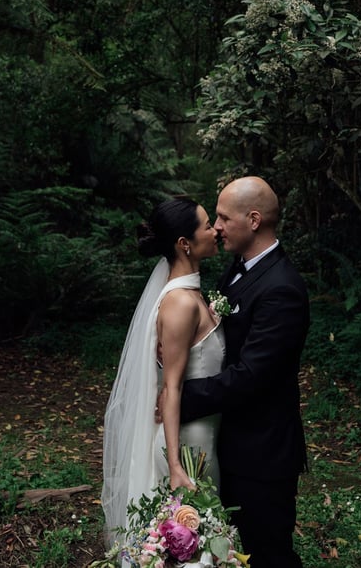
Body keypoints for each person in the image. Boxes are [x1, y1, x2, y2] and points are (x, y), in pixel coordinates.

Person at [167, 176, 311, 567]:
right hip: (228, 441)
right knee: (226, 549)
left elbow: (251, 376)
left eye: (224, 218)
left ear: (254, 220)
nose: (216, 227)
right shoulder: (237, 268)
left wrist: (180, 398)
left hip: (262, 453)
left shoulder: (282, 289)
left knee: (268, 553)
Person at [100, 197, 224, 546]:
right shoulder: (181, 302)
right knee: (190, 545)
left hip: (203, 436)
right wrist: (175, 466)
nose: (215, 230)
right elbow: (171, 388)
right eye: (206, 226)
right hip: (190, 445)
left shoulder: (192, 295)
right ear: (185, 243)